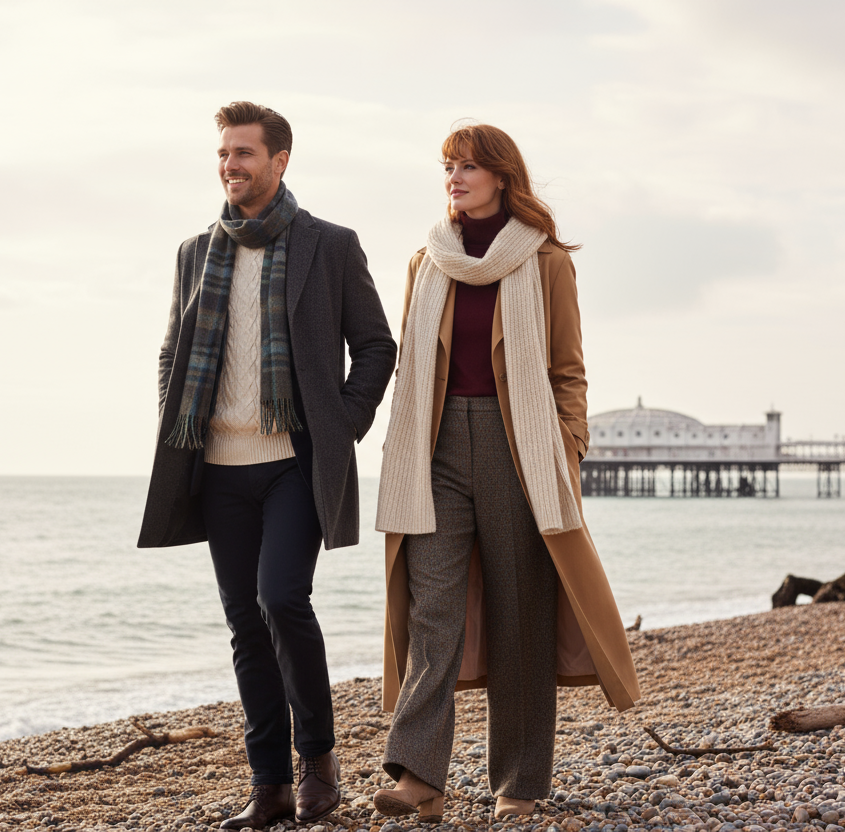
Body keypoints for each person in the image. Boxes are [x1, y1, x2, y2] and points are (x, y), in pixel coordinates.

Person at [137, 101, 396, 829]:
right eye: (223, 154)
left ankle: (318, 759)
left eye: (243, 153)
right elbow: (172, 351)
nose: (230, 166)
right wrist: (173, 417)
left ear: (280, 161)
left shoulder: (330, 245)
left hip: (293, 461)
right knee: (245, 626)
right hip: (218, 465)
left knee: (282, 599)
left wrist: (342, 423)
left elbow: (376, 346)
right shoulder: (196, 251)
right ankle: (269, 785)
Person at [372, 123, 641, 823]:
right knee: (433, 611)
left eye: (467, 166)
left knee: (523, 613)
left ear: (501, 176)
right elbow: (411, 367)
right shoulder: (425, 262)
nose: (454, 178)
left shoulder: (546, 262)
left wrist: (568, 447)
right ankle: (419, 777)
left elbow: (567, 371)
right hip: (432, 451)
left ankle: (519, 783)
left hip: (517, 444)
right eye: (447, 167)